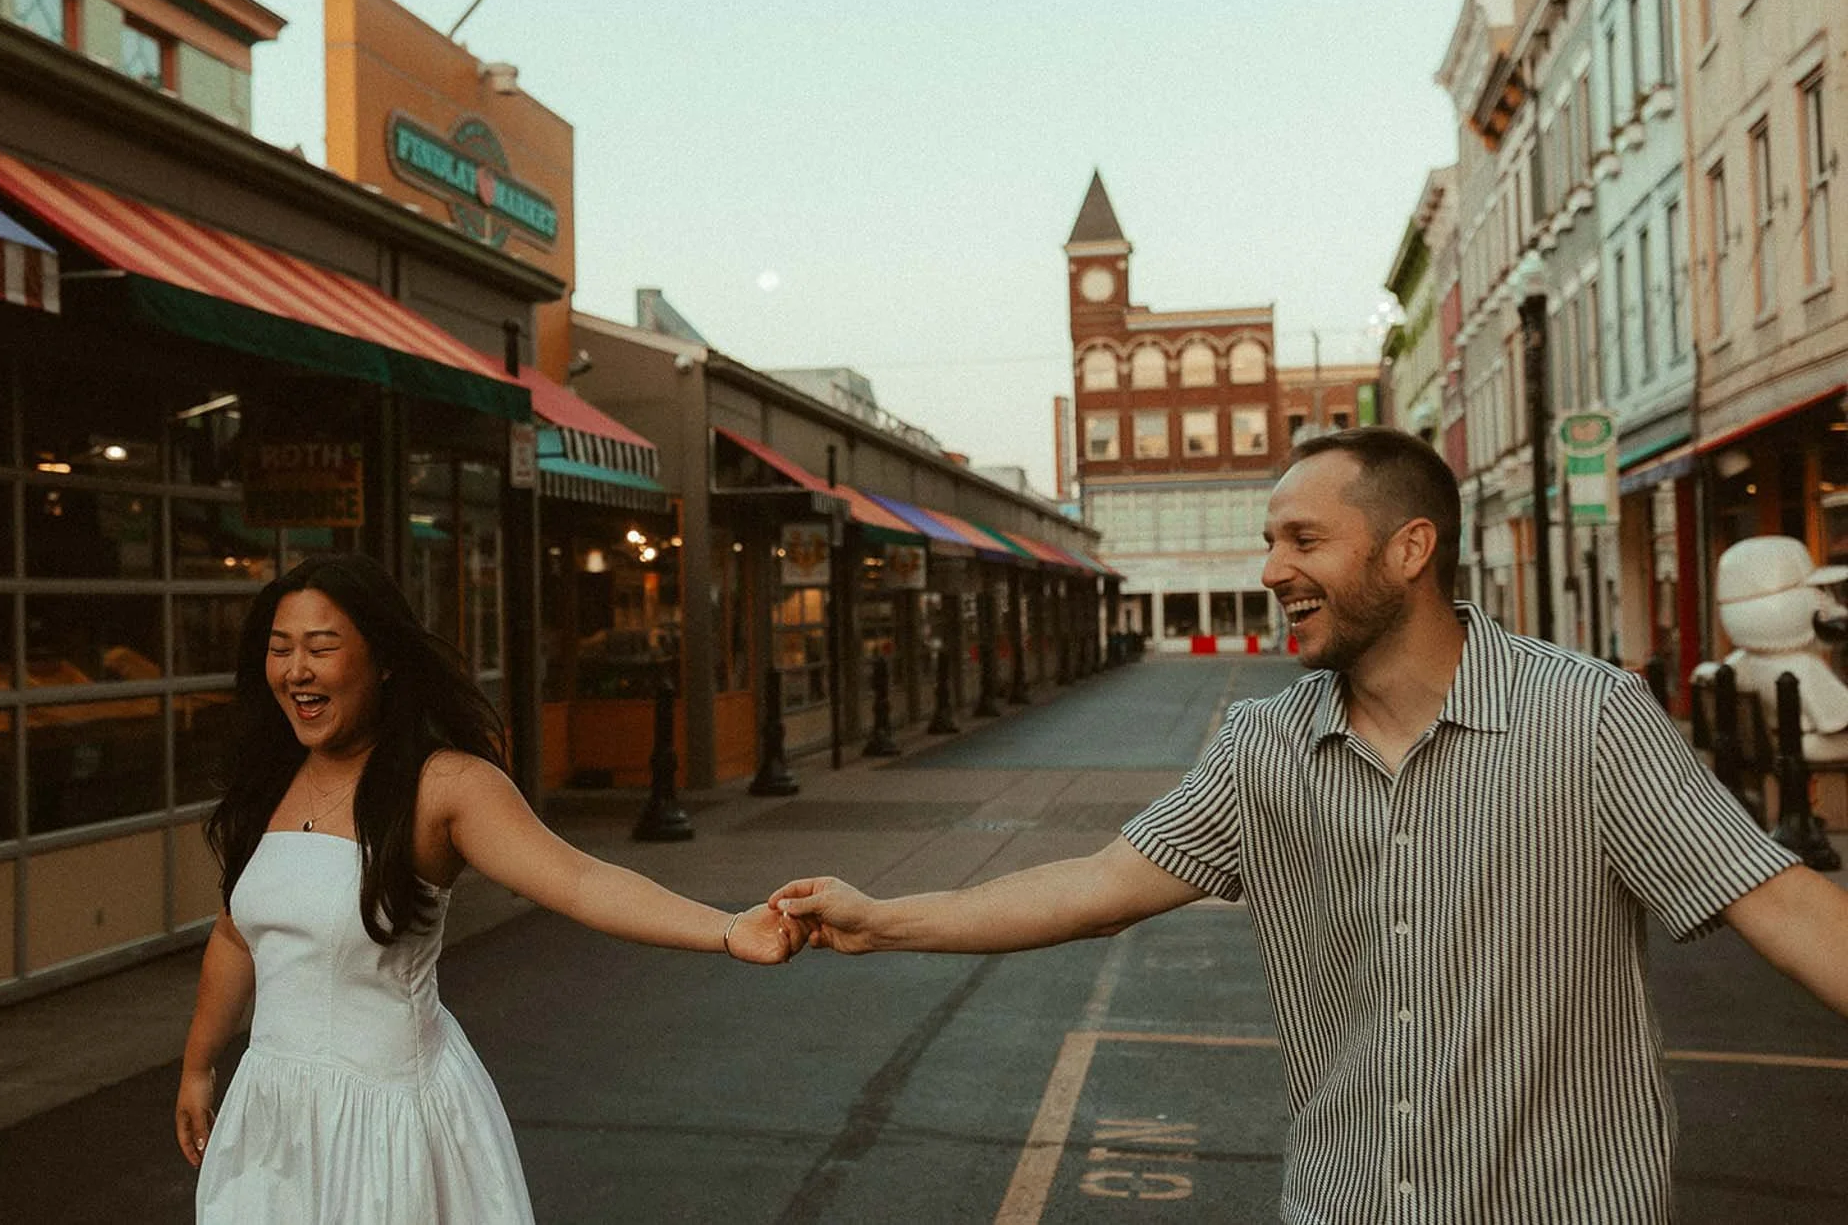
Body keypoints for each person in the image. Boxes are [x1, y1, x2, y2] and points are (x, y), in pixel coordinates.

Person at [773, 427, 1848, 1222]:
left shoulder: (1587, 716)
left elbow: (1782, 903)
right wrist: (879, 919)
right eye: (1267, 540)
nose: (1270, 568)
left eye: (1303, 538)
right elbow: (1095, 886)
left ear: (1409, 548)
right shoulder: (1264, 746)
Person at [176, 553, 804, 1222]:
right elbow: (236, 935)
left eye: (321, 648)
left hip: (389, 1128)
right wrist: (198, 1065)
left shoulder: (443, 786)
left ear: (383, 660)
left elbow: (581, 881)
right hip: (271, 1119)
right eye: (280, 649)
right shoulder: (267, 782)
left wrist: (728, 929)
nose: (296, 670)